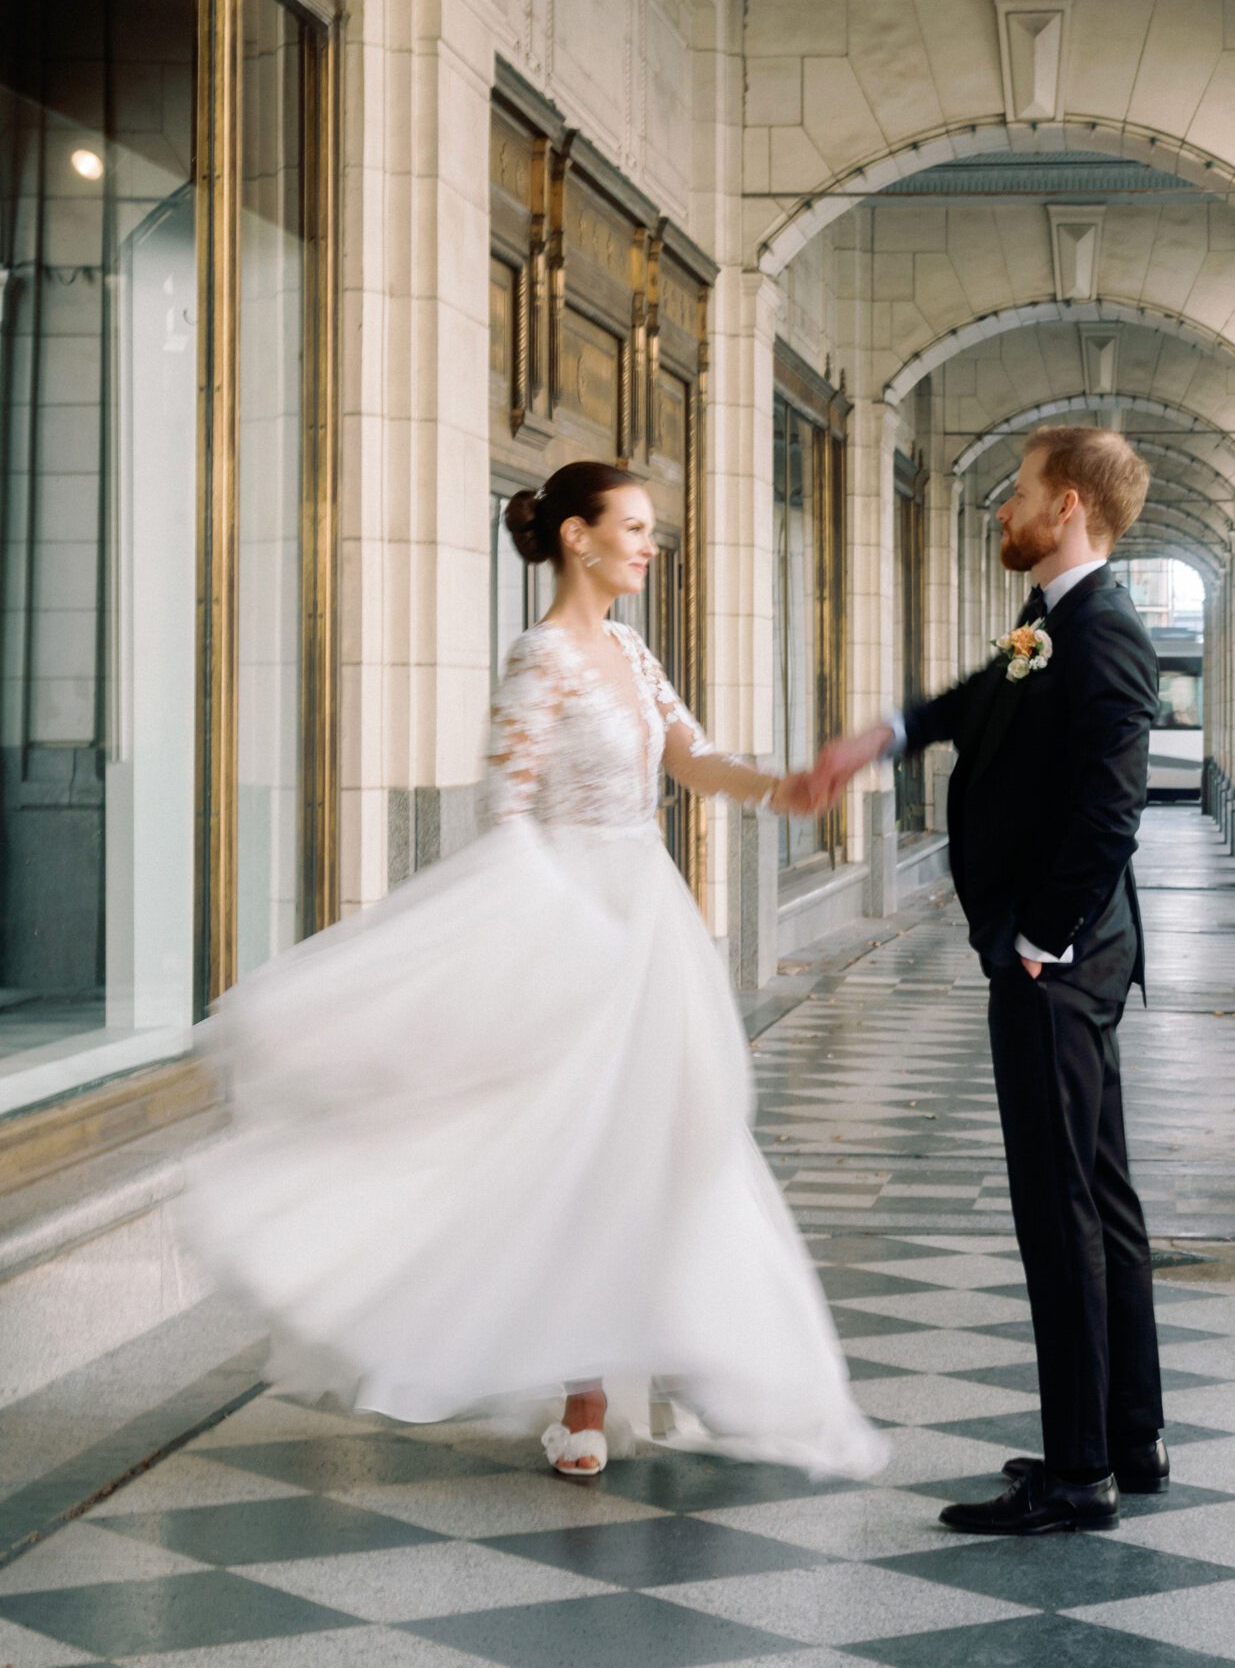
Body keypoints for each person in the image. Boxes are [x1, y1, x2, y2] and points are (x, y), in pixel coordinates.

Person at [183, 459, 885, 1485]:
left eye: (650, 528)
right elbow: (501, 807)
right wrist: (553, 928)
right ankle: (583, 1390)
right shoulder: (539, 655)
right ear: (575, 536)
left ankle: (670, 1343)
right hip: (569, 919)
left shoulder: (634, 653)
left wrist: (788, 786)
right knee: (572, 1151)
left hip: (650, 920)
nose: (649, 544)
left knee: (674, 1138)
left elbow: (690, 759)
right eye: (633, 526)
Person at [809, 426, 1166, 1535]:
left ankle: (1073, 1476)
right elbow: (981, 699)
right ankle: (1126, 1436)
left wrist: (1040, 938)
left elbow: (1113, 804)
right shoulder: (1052, 625)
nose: (999, 511)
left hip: (1058, 960)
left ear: (1064, 506)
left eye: (1013, 493)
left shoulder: (1100, 631)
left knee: (1054, 1208)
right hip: (1066, 956)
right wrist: (883, 733)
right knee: (1098, 1195)